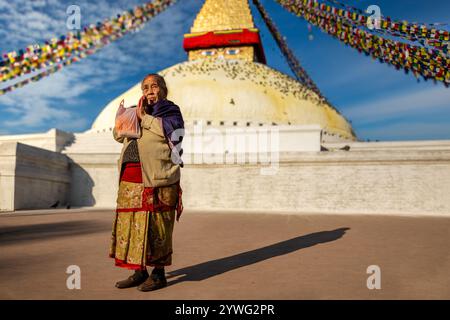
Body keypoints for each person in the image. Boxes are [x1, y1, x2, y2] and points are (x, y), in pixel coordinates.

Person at [109, 73, 184, 292]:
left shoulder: (171, 111)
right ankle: (139, 272)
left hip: (157, 178)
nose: (149, 91)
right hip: (130, 177)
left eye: (154, 86)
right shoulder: (136, 110)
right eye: (145, 88)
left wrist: (145, 117)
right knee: (132, 226)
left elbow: (174, 134)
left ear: (163, 89)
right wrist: (125, 117)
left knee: (157, 226)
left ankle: (159, 274)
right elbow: (118, 135)